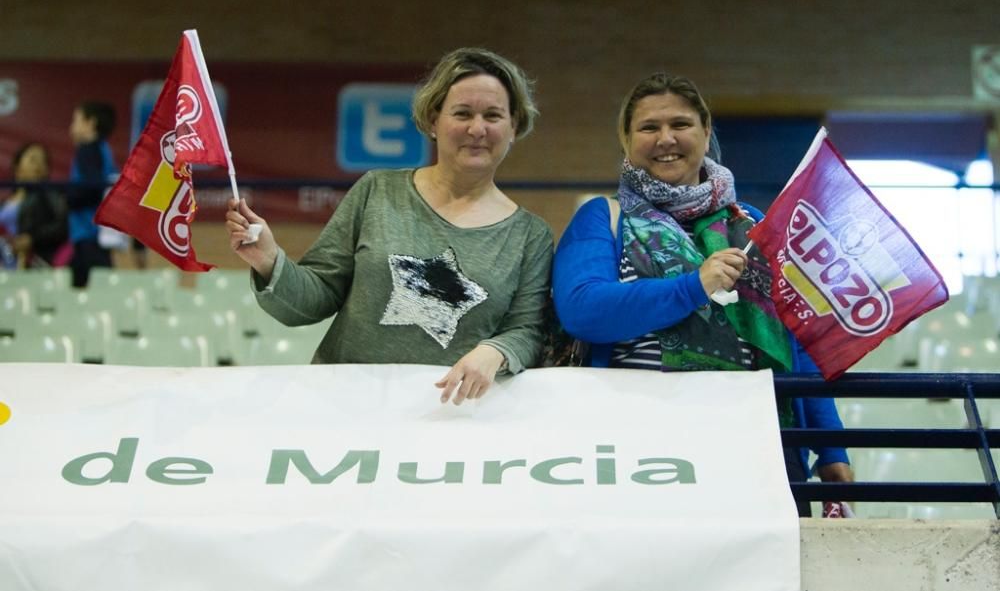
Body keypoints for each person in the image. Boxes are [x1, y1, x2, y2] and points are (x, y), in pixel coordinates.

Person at [552, 72, 852, 516]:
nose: (666, 139)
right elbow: (583, 311)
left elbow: (795, 338)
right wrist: (694, 286)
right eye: (649, 127)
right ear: (627, 139)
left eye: (681, 124)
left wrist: (832, 452)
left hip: (755, 451)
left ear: (706, 133)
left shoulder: (751, 222)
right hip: (635, 453)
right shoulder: (604, 217)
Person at [226, 47, 553, 405]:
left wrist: (496, 350)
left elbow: (528, 331)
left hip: (447, 419)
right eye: (462, 113)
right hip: (342, 406)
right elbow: (312, 301)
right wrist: (270, 261)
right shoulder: (377, 191)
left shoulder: (530, 236)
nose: (477, 128)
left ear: (514, 126)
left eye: (493, 115)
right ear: (433, 120)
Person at [66, 101, 118, 287]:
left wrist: (68, 199)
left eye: (76, 120)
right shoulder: (103, 150)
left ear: (90, 123)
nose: (72, 127)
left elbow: (92, 187)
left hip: (89, 234)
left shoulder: (88, 150)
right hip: (94, 235)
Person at [0, 142, 69, 268]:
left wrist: (32, 238)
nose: (38, 165)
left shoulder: (50, 195)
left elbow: (62, 225)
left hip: (31, 263)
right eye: (33, 159)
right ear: (17, 166)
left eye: (43, 161)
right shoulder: (5, 202)